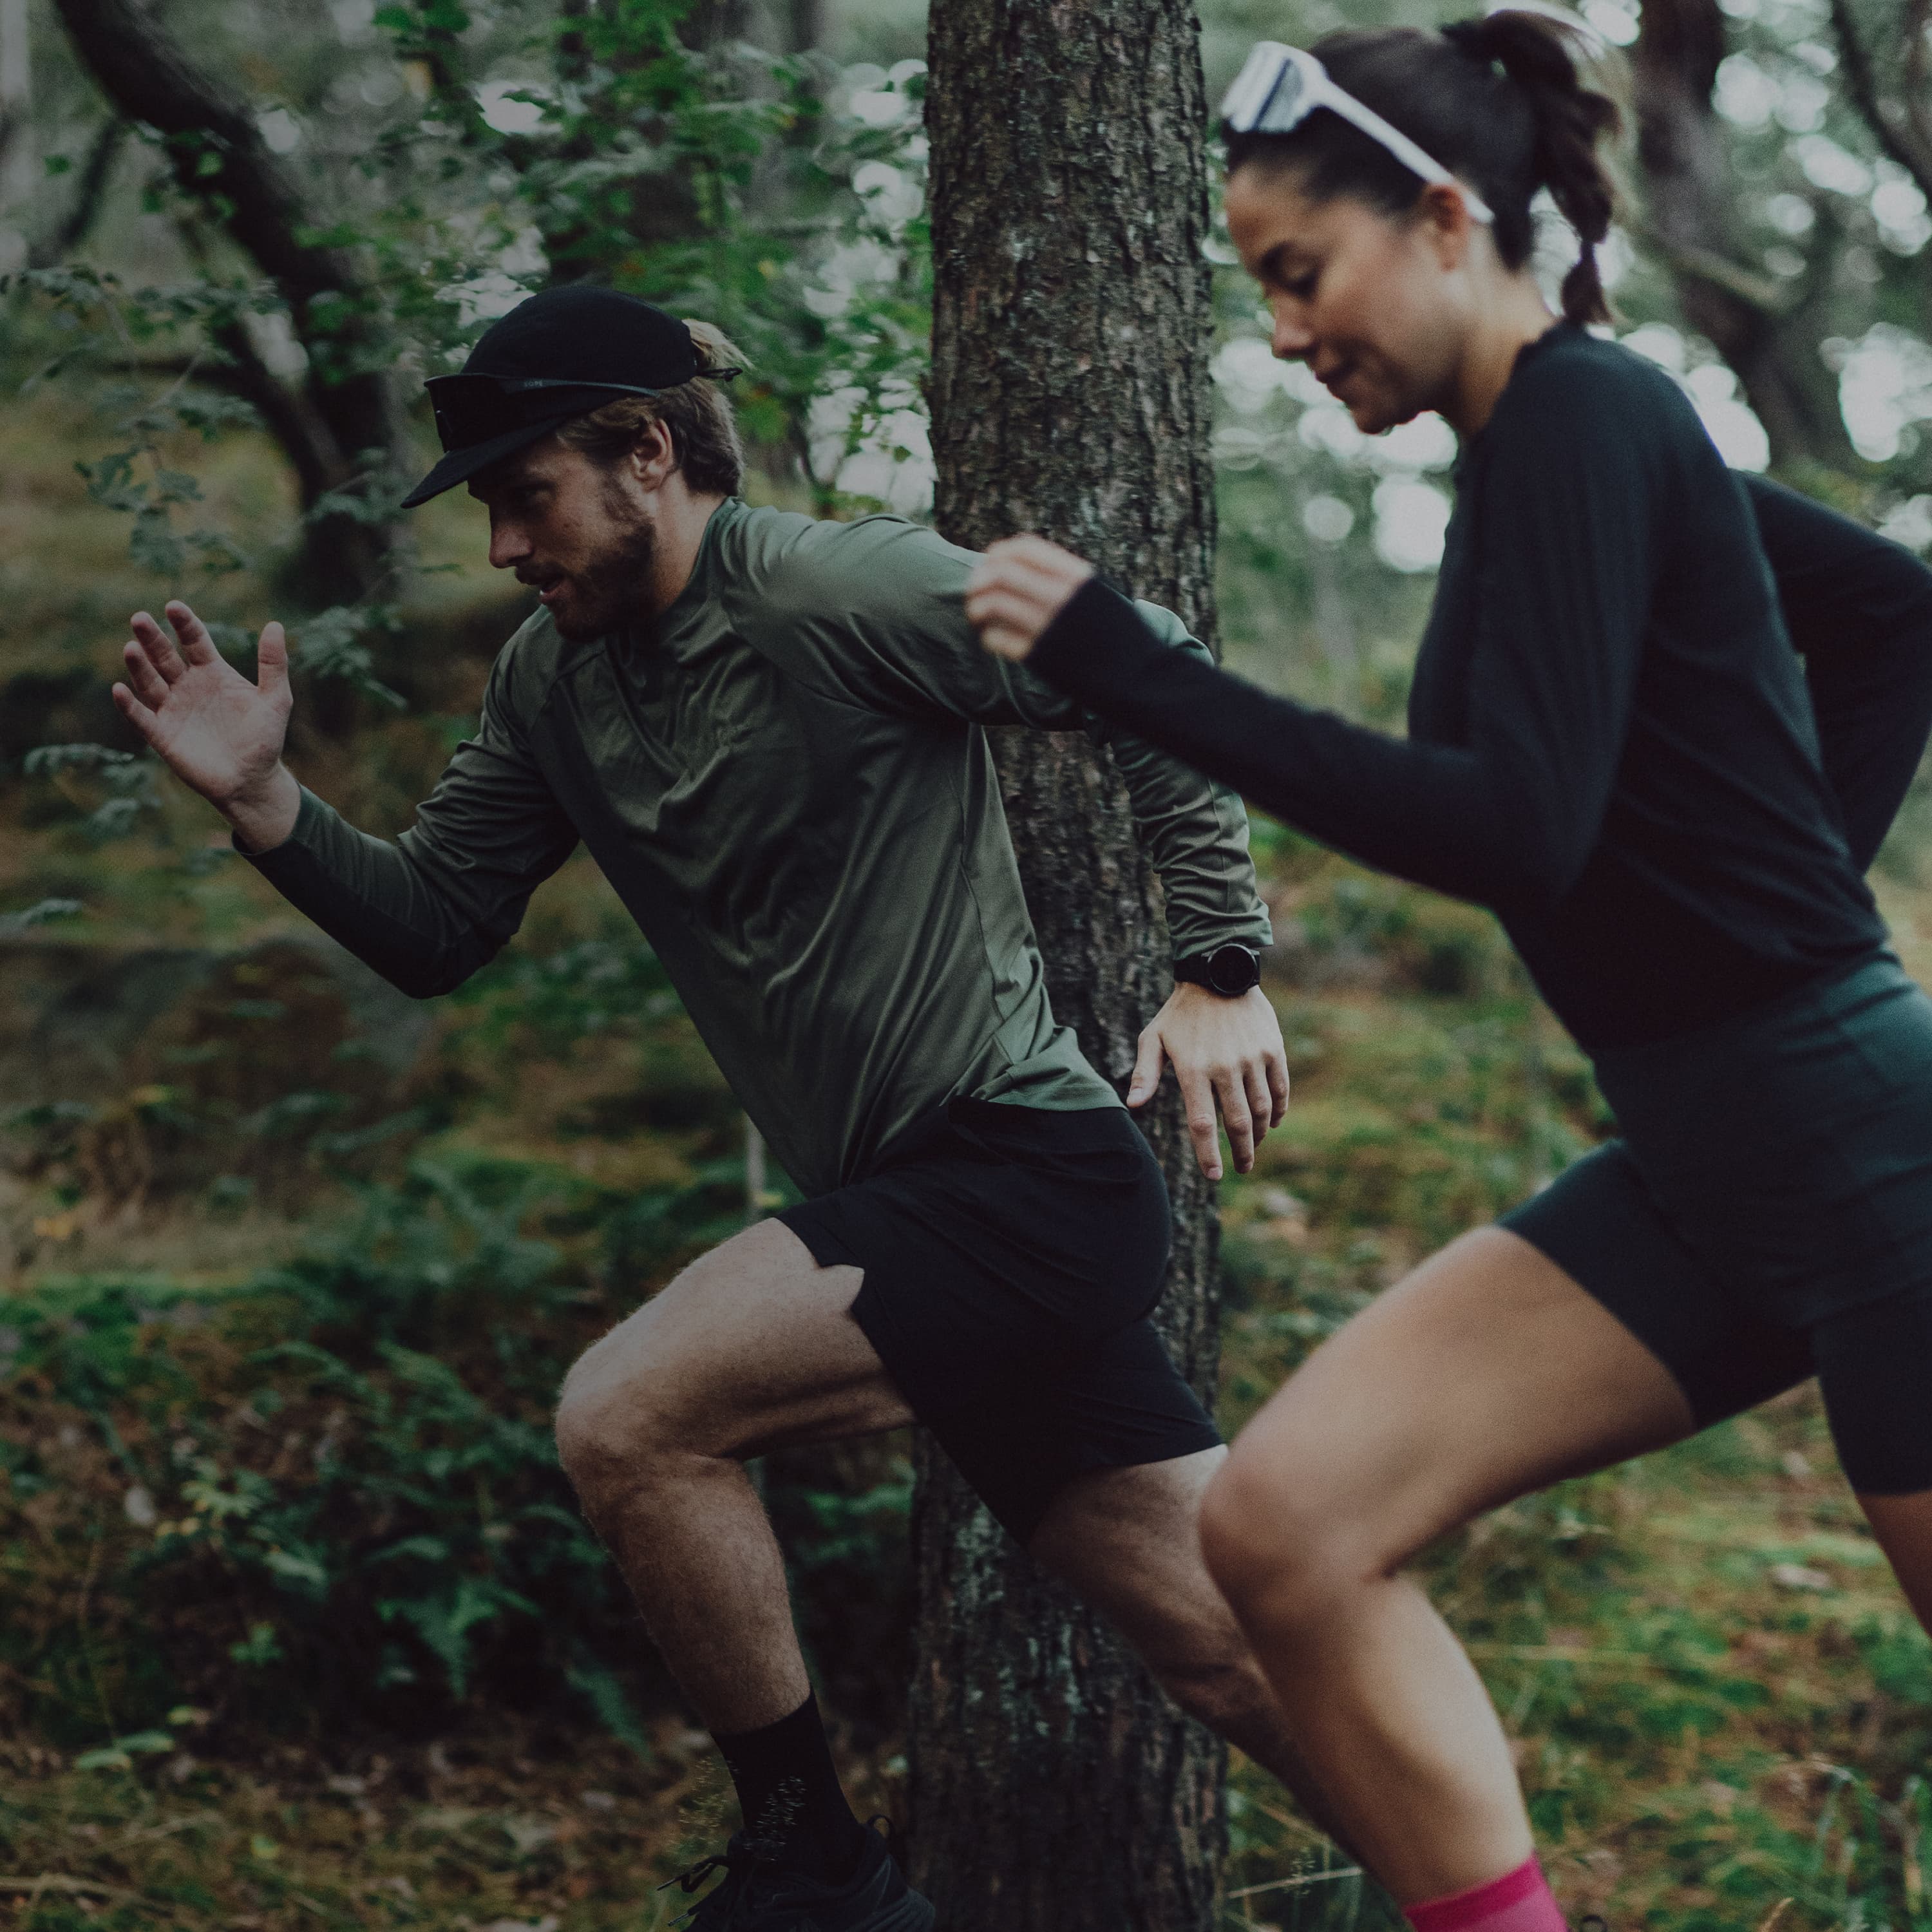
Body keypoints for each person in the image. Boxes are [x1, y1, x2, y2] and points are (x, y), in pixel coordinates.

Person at [109, 283, 1320, 1931]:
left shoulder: (838, 585)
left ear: (648, 454)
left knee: (629, 1417)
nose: (503, 548)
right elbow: (436, 924)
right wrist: (267, 803)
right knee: (1234, 1653)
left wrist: (1221, 963)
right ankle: (1491, 1896)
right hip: (922, 1220)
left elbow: (1143, 661)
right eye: (489, 510)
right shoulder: (552, 683)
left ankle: (814, 1867)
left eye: (526, 496)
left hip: (1019, 1178)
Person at [962, 15, 1932, 1931]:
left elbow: (1517, 828)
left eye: (1299, 273)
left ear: (1439, 217)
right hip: (1709, 1162)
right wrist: (1779, 888)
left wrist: (1134, 670)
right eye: (1261, 290)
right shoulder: (1547, 458)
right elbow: (1899, 613)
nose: (1282, 332)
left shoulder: (1585, 416)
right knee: (1286, 1527)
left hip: (1864, 1163)